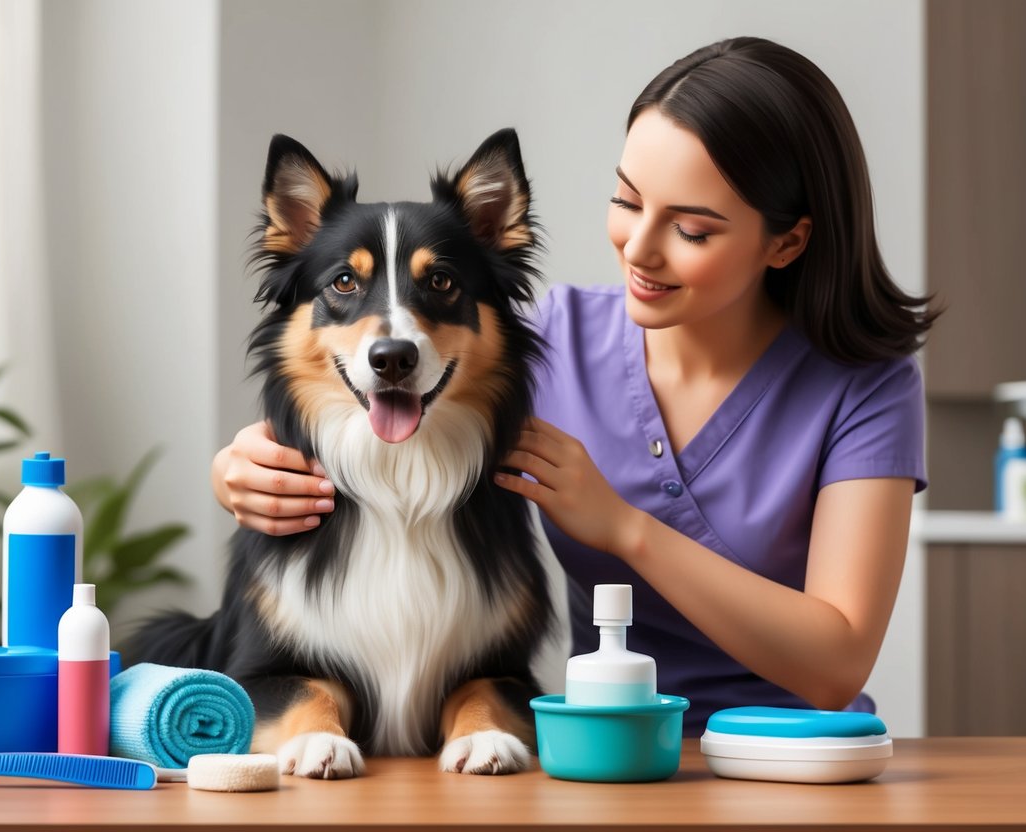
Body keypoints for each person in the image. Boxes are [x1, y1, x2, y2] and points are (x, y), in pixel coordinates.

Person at [209, 37, 938, 735]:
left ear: (786, 241)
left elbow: (836, 663)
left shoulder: (867, 386)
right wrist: (240, 463)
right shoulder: (546, 342)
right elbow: (379, 383)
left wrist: (624, 528)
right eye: (627, 200)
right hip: (601, 750)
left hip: (796, 761)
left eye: (690, 228)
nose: (638, 248)